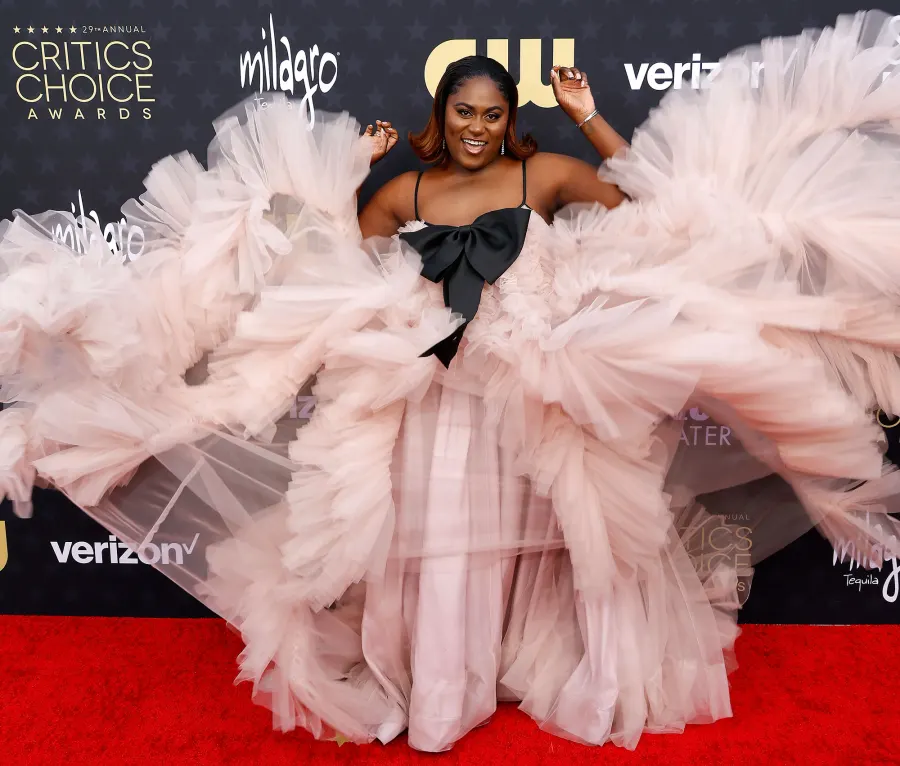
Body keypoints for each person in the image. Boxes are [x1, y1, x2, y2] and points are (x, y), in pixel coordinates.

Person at [2, 9, 900, 754]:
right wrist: (350, 166)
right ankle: (438, 689)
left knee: (560, 535)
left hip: (532, 384)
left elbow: (654, 210)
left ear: (509, 120)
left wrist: (588, 115)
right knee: (439, 545)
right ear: (443, 114)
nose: (477, 127)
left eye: (492, 114)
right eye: (463, 112)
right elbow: (328, 265)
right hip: (431, 391)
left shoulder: (545, 173)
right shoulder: (406, 195)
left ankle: (543, 669)